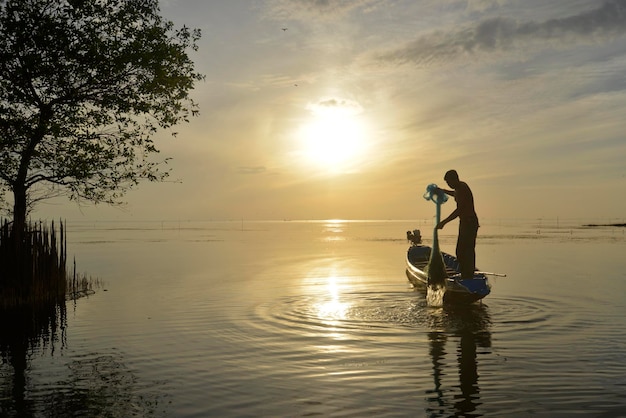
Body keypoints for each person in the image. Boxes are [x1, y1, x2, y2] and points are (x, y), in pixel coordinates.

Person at [435, 170, 479, 279]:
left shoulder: (463, 188)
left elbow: (459, 210)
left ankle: (468, 276)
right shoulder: (459, 189)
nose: (449, 185)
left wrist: (444, 222)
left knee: (466, 250)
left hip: (470, 222)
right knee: (461, 250)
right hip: (465, 222)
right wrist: (443, 191)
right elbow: (454, 194)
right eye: (447, 183)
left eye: (449, 182)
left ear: (455, 179)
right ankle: (466, 274)